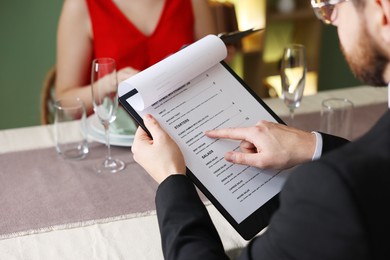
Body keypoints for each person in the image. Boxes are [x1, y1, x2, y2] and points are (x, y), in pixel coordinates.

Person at [131, 0, 390, 259]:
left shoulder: (330, 190)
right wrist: (311, 145)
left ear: (383, 12)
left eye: (331, 5)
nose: (331, 19)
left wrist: (171, 179)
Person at [55, 0, 217, 115]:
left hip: (183, 125)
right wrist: (109, 85)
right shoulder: (80, 5)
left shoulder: (194, 2)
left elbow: (215, 73)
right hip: (114, 140)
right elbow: (65, 101)